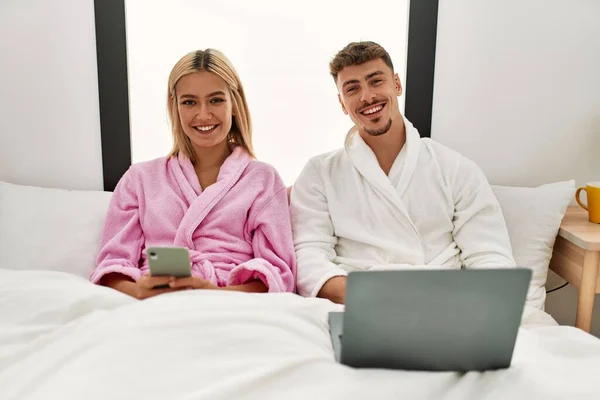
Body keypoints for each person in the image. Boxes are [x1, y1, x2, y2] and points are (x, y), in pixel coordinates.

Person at [290, 41, 516, 304]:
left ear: (397, 84)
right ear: (342, 103)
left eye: (376, 81)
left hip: (443, 302)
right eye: (353, 89)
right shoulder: (320, 173)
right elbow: (308, 256)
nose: (367, 97)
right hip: (355, 304)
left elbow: (490, 255)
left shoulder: (454, 168)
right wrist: (365, 296)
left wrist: (463, 303)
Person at [91, 49, 296, 299]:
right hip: (156, 301)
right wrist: (138, 291)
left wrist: (216, 293)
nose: (203, 114)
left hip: (233, 302)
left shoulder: (263, 179)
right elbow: (112, 265)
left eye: (216, 100)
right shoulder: (140, 179)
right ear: (174, 107)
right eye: (189, 102)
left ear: (234, 104)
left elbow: (278, 273)